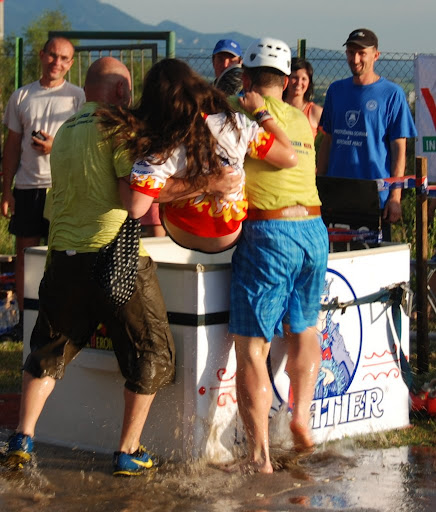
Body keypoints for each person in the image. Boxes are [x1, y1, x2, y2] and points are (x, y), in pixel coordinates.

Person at [1, 57, 176, 477]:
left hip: (63, 256)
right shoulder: (120, 129)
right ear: (119, 91)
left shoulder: (65, 131)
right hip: (114, 256)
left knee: (48, 350)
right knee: (153, 350)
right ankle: (128, 450)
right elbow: (134, 199)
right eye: (128, 87)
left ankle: (22, 438)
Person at [227, 37, 329, 473]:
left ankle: (259, 457)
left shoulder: (240, 115)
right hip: (314, 229)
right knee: (304, 328)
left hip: (270, 232)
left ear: (246, 78)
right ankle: (301, 416)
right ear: (288, 82)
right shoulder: (302, 118)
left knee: (253, 349)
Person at [98, 58, 297, 254]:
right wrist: (262, 113)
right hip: (228, 236)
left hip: (180, 232)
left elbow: (136, 208)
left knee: (153, 184)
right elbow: (289, 157)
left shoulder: (159, 141)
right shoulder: (235, 123)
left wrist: (122, 177)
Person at [0, 37, 85, 325]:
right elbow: (12, 146)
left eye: (63, 58)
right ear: (41, 55)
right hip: (27, 187)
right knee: (26, 255)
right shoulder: (21, 96)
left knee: (64, 256)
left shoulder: (78, 97)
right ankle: (25, 321)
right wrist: (6, 191)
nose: (56, 63)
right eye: (52, 55)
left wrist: (55, 147)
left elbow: (85, 144)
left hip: (64, 189)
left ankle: (61, 320)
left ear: (70, 64)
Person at [317, 28, 417, 240]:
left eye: (362, 53)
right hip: (336, 194)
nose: (355, 59)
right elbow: (328, 140)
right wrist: (318, 184)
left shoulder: (392, 94)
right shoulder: (336, 90)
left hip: (374, 197)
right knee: (334, 256)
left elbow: (399, 149)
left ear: (376, 55)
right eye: (351, 52)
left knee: (373, 257)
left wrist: (395, 196)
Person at [284, 57, 323, 139]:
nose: (299, 83)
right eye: (295, 77)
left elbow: (331, 137)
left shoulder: (315, 112)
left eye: (304, 79)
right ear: (286, 79)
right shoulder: (275, 107)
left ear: (309, 83)